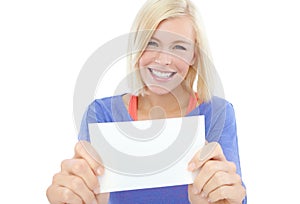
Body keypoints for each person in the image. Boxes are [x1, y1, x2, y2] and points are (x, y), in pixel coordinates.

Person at [46, 0, 247, 203]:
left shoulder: (217, 113)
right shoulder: (101, 114)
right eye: (152, 43)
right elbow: (85, 191)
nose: (163, 60)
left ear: (194, 55)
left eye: (179, 47)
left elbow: (236, 195)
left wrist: (227, 198)